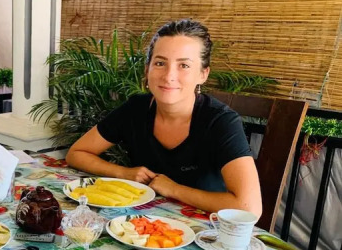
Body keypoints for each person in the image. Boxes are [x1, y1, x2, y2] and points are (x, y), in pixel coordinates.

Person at [66, 19, 262, 217]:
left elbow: (249, 208)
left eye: (184, 65)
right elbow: (77, 153)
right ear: (147, 69)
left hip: (206, 227)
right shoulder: (135, 109)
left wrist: (174, 189)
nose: (169, 76)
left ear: (203, 74)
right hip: (139, 222)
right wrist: (124, 173)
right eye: (160, 63)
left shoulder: (221, 122)